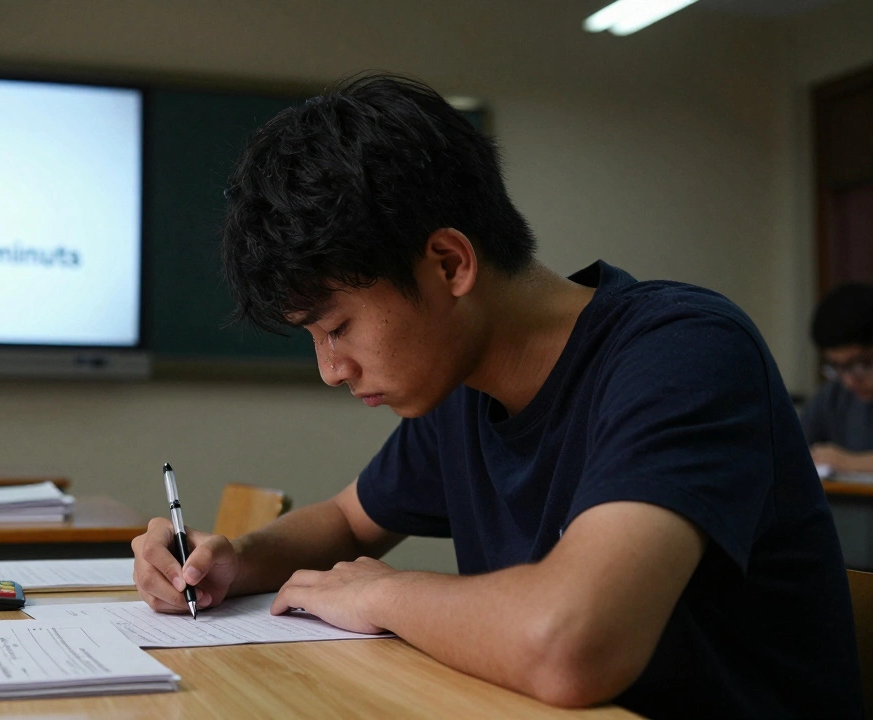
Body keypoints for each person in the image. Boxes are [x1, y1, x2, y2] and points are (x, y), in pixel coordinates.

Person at [130, 74, 861, 718]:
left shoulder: (684, 352)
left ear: (449, 264)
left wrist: (383, 596)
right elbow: (350, 523)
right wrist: (229, 560)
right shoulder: (461, 386)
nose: (331, 369)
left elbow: (571, 645)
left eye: (338, 326)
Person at [803, 282, 873, 474]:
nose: (849, 381)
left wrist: (850, 462)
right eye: (837, 367)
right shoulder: (832, 398)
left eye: (863, 364)